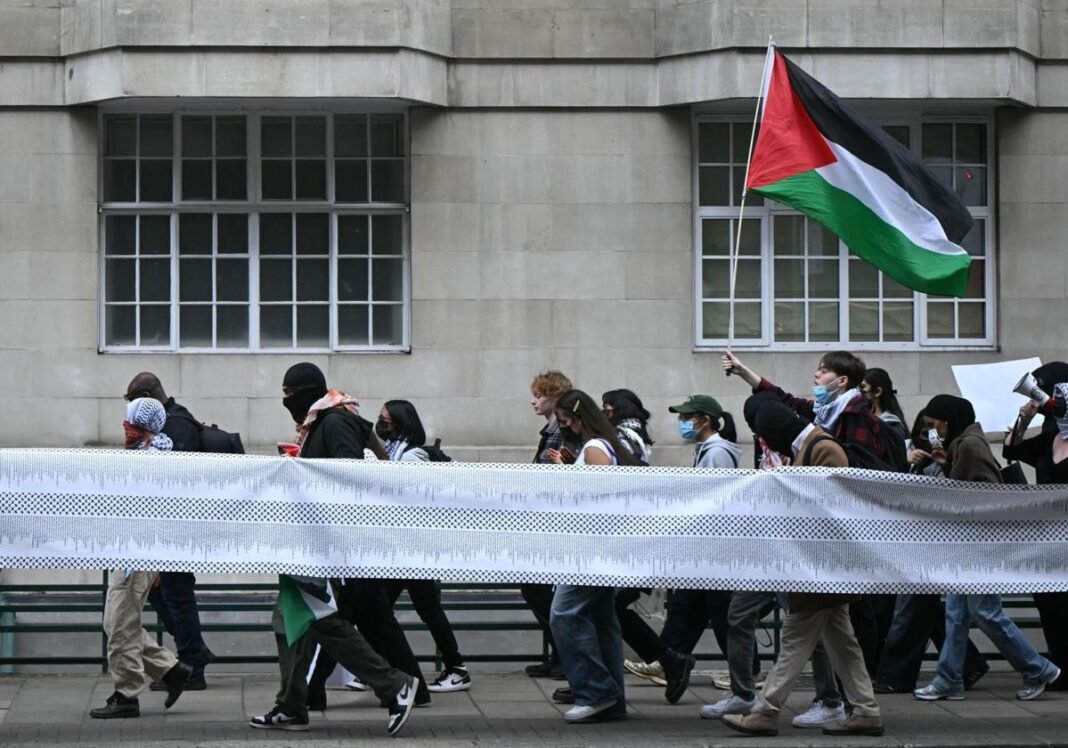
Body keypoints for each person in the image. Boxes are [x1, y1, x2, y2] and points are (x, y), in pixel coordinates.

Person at [251, 362, 417, 736]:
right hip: (308, 544)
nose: (286, 401)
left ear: (308, 391)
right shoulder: (325, 422)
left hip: (320, 545)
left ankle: (394, 685)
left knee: (323, 623)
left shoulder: (334, 423)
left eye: (289, 394)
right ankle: (292, 706)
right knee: (289, 623)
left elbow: (346, 476)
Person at [721, 399, 883, 738]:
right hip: (819, 568)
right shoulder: (811, 446)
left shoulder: (823, 448)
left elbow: (830, 509)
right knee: (843, 645)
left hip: (820, 569)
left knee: (795, 638)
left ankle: (765, 711)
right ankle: (866, 710)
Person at [914, 394, 1061, 703]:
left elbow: (984, 493)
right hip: (969, 543)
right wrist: (947, 463)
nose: (932, 430)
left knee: (984, 612)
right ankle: (948, 679)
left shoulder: (968, 446)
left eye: (934, 424)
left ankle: (1039, 669)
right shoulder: (963, 445)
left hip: (977, 545)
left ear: (947, 422)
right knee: (956, 612)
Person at [872, 408, 989, 694]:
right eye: (924, 429)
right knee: (933, 611)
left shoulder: (962, 449)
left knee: (915, 609)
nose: (929, 435)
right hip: (921, 544)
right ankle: (966, 665)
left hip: (932, 545)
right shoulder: (932, 455)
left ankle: (895, 676)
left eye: (932, 427)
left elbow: (952, 493)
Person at [90, 398, 193, 719]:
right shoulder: (150, 454)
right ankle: (171, 669)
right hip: (132, 553)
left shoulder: (149, 460)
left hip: (135, 556)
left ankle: (126, 695)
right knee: (118, 622)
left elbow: (150, 514)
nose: (124, 427)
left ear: (140, 425)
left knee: (120, 625)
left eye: (129, 421)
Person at [548, 389, 640, 722]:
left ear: (577, 418)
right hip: (602, 549)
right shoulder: (603, 446)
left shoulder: (594, 448)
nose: (564, 427)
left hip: (593, 550)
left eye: (565, 421)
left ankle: (597, 690)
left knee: (564, 613)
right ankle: (611, 700)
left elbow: (602, 502)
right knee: (602, 622)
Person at [125, 373, 217, 693]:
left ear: (149, 395)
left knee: (176, 595)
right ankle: (194, 651)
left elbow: (174, 482)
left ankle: (193, 663)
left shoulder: (176, 426)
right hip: (168, 529)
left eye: (133, 399)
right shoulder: (170, 422)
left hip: (176, 530)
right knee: (162, 592)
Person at [377, 399, 471, 693]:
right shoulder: (394, 452)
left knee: (403, 609)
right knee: (384, 610)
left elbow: (414, 501)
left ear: (400, 424)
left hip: (412, 548)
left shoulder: (411, 456)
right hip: (403, 547)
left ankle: (456, 668)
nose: (380, 424)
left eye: (385, 420)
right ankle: (376, 666)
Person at [1002, 361, 1068, 688]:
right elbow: (1011, 449)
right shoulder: (1050, 435)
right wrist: (1023, 419)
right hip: (1048, 537)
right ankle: (1061, 664)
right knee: (1049, 602)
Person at [523, 370, 580, 679]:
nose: (534, 401)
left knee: (543, 592)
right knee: (537, 590)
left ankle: (563, 656)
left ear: (555, 397)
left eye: (539, 395)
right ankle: (559, 655)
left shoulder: (561, 431)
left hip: (551, 522)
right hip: (543, 519)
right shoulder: (552, 430)